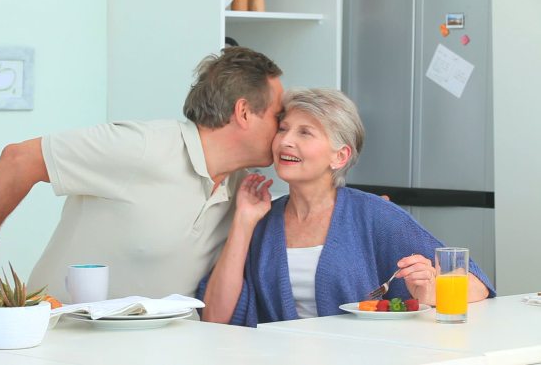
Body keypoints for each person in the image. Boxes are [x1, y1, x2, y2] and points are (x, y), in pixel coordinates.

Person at [0, 47, 284, 302]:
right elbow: (17, 159)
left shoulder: (244, 190)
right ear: (243, 113)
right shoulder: (142, 147)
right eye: (277, 115)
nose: (283, 128)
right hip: (62, 341)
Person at [198, 88, 495, 327]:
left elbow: (479, 285)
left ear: (339, 157)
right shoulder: (262, 222)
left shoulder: (374, 215)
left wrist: (431, 291)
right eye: (284, 129)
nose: (286, 141)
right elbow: (215, 317)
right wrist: (243, 222)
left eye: (305, 133)